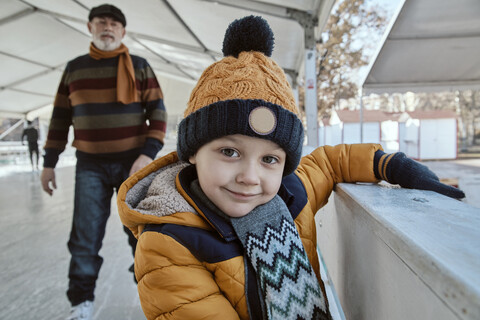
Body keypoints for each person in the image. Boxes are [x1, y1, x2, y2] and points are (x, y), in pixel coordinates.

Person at [117, 16, 464, 320]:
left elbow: (330, 162)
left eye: (270, 159)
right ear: (192, 153)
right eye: (229, 151)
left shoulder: (289, 193)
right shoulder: (167, 245)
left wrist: (391, 165)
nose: (250, 177)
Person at [40, 4, 167, 320]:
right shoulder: (74, 68)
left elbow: (159, 113)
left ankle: (153, 295)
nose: (107, 27)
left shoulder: (139, 66)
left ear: (123, 32)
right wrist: (49, 162)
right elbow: (59, 118)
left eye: (114, 23)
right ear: (90, 27)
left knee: (141, 234)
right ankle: (81, 302)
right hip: (90, 164)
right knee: (85, 237)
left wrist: (146, 154)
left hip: (133, 163)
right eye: (101, 22)